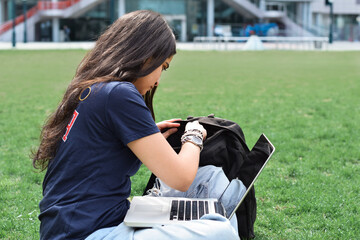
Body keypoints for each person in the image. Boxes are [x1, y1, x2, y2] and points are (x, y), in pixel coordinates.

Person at [32, 10, 243, 240]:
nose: (158, 81)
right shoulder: (118, 94)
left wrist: (146, 136)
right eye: (163, 67)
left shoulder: (97, 89)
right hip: (86, 234)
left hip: (95, 222)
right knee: (221, 231)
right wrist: (193, 135)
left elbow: (98, 154)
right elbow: (181, 178)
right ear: (146, 57)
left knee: (208, 178)